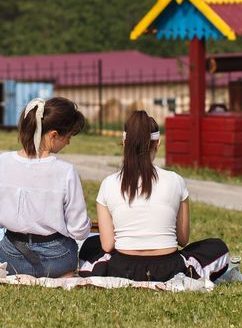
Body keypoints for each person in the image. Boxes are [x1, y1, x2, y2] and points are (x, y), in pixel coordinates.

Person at [86, 110, 232, 283]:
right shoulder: (176, 180)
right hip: (169, 268)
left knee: (89, 245)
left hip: (122, 268)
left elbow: (107, 245)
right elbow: (183, 239)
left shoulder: (108, 183)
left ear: (124, 142)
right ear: (158, 143)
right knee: (217, 247)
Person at [0, 97, 90, 277]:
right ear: (53, 135)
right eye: (68, 136)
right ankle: (63, 275)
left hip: (11, 256)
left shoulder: (1, 162)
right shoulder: (65, 171)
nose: (68, 143)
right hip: (57, 258)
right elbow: (79, 230)